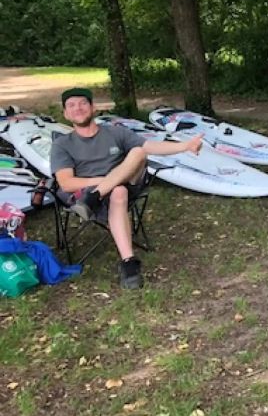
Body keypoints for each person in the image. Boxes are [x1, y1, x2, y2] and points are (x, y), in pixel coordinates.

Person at [51, 87, 204, 289]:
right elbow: (66, 183)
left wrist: (185, 146)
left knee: (139, 152)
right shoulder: (63, 144)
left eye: (82, 103)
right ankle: (129, 263)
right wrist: (105, 181)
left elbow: (150, 147)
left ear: (93, 107)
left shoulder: (115, 132)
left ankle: (95, 197)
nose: (77, 108)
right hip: (89, 192)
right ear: (65, 113)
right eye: (71, 105)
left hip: (118, 187)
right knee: (118, 191)